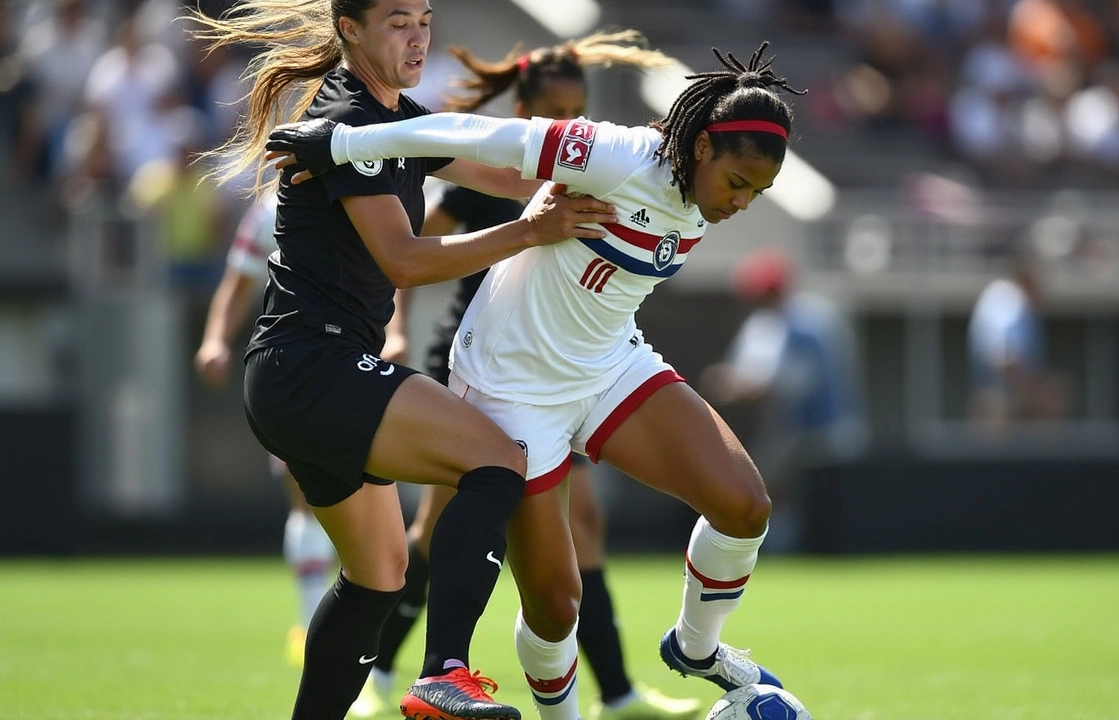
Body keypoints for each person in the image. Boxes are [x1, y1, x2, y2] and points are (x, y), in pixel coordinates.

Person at [268, 40, 805, 720]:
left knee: (744, 505)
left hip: (611, 363)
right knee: (555, 609)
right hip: (512, 384)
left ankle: (697, 649)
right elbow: (480, 135)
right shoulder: (619, 155)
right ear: (702, 150)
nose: (742, 203)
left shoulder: (708, 191)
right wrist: (344, 143)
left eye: (759, 193)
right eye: (738, 184)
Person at [188, 2, 617, 719]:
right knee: (498, 460)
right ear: (350, 29)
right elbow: (406, 259)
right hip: (313, 366)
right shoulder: (351, 121)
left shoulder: (397, 119)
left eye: (424, 18)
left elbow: (505, 175)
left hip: (298, 376)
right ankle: (444, 671)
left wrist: (619, 182)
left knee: (379, 577)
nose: (418, 36)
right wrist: (531, 232)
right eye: (397, 20)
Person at [355, 33, 701, 720]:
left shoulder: (602, 172)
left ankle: (619, 693)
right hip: (481, 359)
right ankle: (383, 674)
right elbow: (416, 252)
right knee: (436, 529)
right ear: (527, 109)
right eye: (557, 109)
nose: (571, 119)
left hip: (564, 372)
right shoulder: (498, 180)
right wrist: (396, 326)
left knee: (585, 525)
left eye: (580, 107)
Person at [193, 192, 338, 669]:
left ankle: (354, 625)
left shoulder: (375, 190)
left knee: (362, 500)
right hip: (293, 370)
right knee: (307, 499)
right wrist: (216, 339)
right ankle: (311, 623)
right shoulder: (271, 211)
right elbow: (238, 283)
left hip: (360, 363)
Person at [700, 247, 864, 553]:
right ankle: (788, 544)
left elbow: (795, 384)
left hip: (818, 426)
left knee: (771, 483)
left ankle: (788, 546)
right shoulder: (772, 321)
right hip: (794, 424)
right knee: (776, 484)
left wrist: (736, 385)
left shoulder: (806, 322)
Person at [966, 250, 1067, 435]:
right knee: (1048, 399)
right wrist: (1033, 390)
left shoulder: (1019, 301)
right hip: (998, 392)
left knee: (1054, 392)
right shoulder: (1009, 298)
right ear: (1026, 276)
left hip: (1011, 387)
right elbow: (1000, 357)